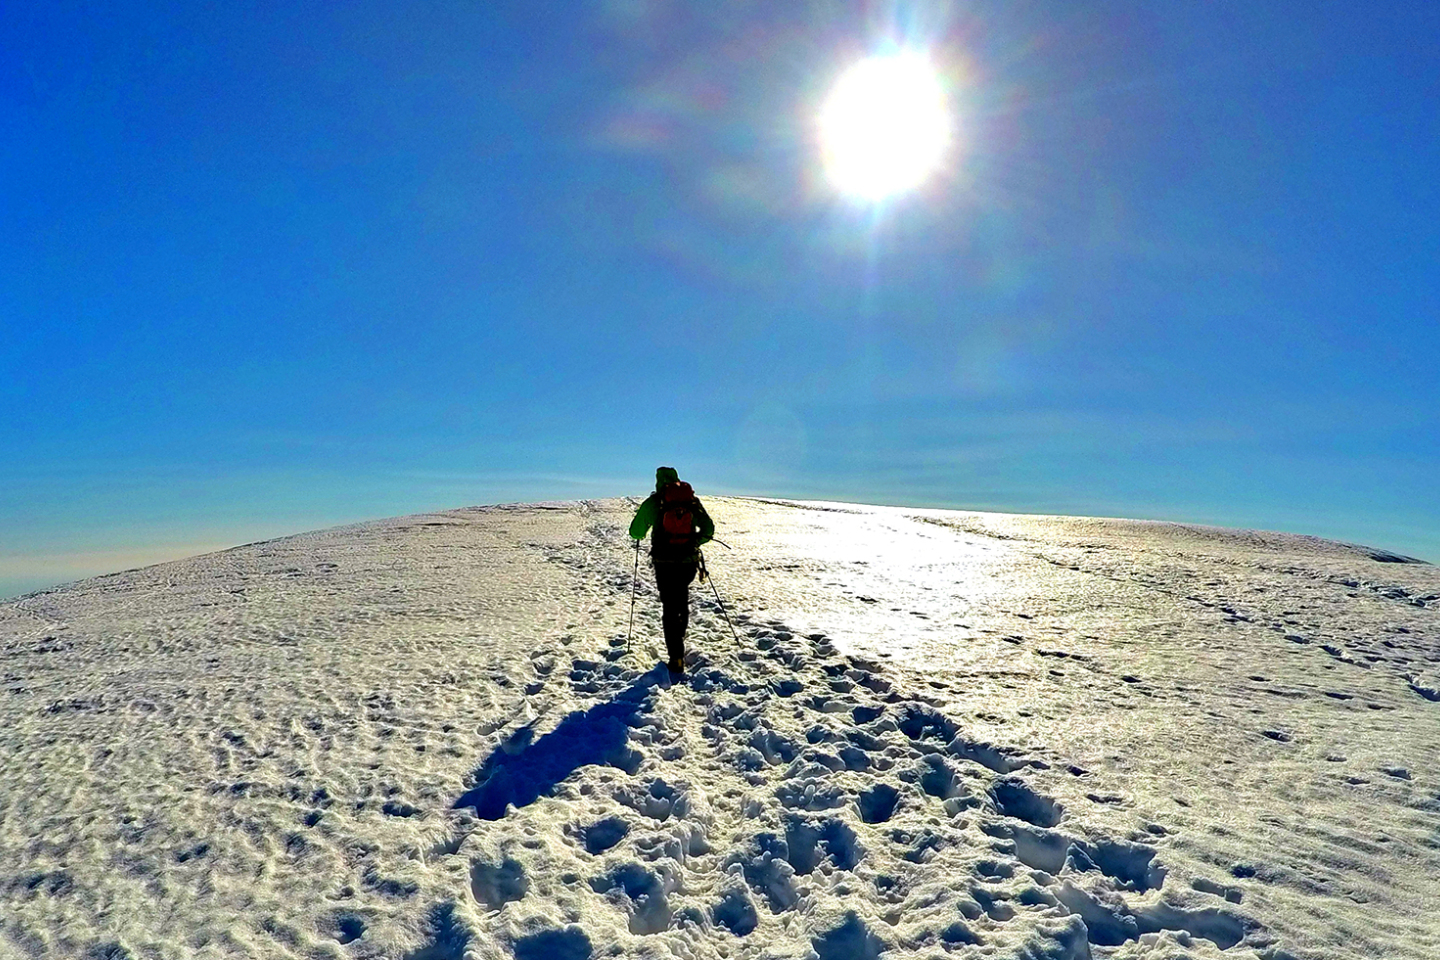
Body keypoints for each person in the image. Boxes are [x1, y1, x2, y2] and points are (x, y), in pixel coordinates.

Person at [629, 466, 715, 673]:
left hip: (664, 562)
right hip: (688, 562)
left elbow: (636, 531)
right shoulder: (691, 502)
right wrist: (694, 543)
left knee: (669, 606)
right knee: (682, 597)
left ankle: (676, 657)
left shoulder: (655, 502)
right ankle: (680, 634)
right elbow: (709, 529)